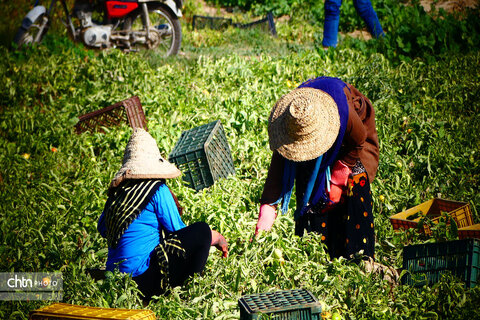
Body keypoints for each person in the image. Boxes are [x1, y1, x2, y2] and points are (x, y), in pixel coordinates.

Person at [255, 76, 379, 261]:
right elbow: (276, 177)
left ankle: (357, 258)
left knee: (353, 184)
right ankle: (317, 254)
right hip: (325, 131)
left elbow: (358, 140)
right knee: (310, 190)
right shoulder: (289, 123)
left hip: (351, 144)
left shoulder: (343, 115)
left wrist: (339, 177)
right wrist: (262, 227)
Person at [97, 128, 228, 301]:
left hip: (113, 279)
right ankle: (190, 289)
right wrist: (215, 237)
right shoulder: (156, 190)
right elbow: (178, 232)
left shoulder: (115, 196)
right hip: (140, 281)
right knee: (202, 230)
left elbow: (103, 229)